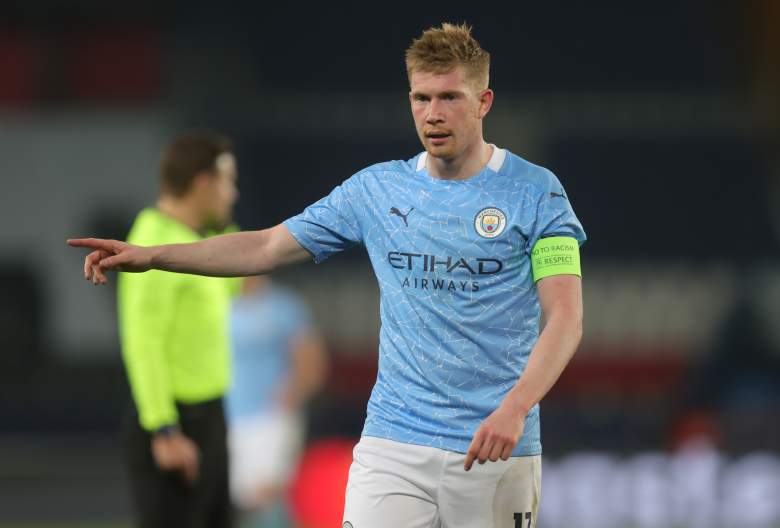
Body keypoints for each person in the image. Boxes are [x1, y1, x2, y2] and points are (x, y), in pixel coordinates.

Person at [71, 23, 585, 528]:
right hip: (394, 444)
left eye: (450, 97)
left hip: (497, 449)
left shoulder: (537, 193)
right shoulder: (376, 191)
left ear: (484, 101)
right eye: (420, 98)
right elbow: (267, 245)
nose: (433, 114)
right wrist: (155, 255)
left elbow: (564, 316)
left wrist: (515, 408)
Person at [115, 132, 239, 527]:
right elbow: (143, 342)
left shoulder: (191, 241)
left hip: (209, 416)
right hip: (176, 423)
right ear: (203, 184)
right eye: (227, 182)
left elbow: (235, 283)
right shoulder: (152, 245)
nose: (232, 194)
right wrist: (164, 429)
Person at [226, 275, 328, 527]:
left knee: (267, 496)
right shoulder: (224, 305)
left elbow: (312, 358)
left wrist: (294, 392)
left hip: (270, 416)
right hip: (231, 415)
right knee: (243, 499)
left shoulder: (283, 307)